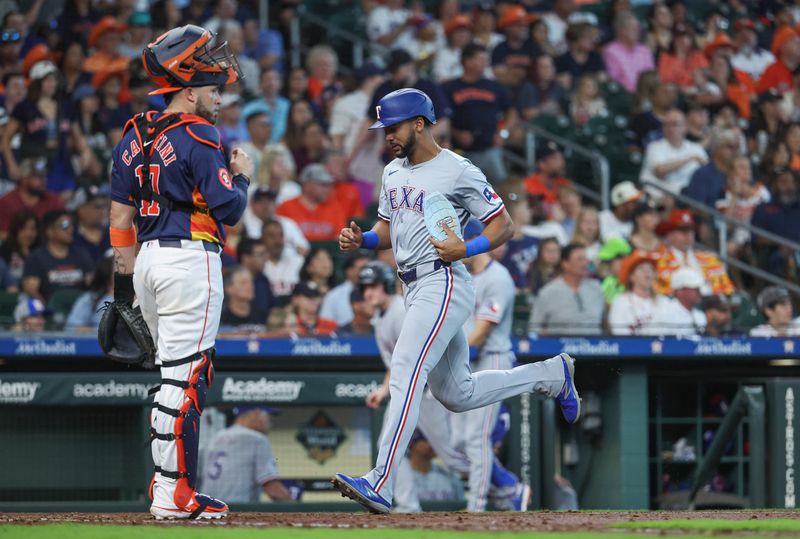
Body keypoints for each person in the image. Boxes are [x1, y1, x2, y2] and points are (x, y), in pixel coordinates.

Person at [333, 88, 580, 514]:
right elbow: (387, 232)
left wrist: (465, 248)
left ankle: (380, 481)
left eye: (392, 127)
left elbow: (503, 227)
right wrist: (363, 240)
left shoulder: (458, 170)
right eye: (383, 129)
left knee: (406, 372)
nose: (386, 136)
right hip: (412, 286)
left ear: (419, 124)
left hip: (443, 280)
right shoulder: (393, 171)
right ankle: (551, 374)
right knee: (457, 393)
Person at [108, 24, 252, 520]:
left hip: (147, 261)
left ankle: (170, 486)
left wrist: (123, 291)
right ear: (187, 91)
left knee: (175, 376)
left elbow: (119, 220)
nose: (217, 99)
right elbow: (229, 208)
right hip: (190, 259)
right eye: (213, 91)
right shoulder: (197, 133)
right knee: (187, 378)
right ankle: (175, 493)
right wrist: (244, 174)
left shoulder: (132, 133)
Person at [360, 260, 528, 513]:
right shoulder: (380, 319)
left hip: (430, 390)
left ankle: (506, 485)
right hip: (411, 388)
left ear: (385, 284)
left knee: (456, 456)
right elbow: (398, 362)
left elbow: (429, 347)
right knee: (390, 440)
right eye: (364, 288)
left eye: (373, 286)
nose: (367, 292)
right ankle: (406, 504)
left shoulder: (400, 311)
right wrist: (385, 389)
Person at [460, 218, 532, 512]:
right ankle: (507, 486)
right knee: (456, 442)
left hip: (491, 360)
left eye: (459, 241)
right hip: (468, 361)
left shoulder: (498, 277)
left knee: (476, 438)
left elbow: (481, 333)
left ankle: (475, 508)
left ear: (475, 241)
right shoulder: (464, 275)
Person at [442, 43, 516, 184]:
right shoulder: (449, 88)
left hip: (490, 149)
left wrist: (503, 133)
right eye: (481, 59)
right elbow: (442, 119)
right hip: (461, 153)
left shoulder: (493, 86)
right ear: (467, 61)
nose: (485, 63)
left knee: (501, 189)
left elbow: (511, 112)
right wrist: (456, 133)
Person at [202, 406, 293, 503]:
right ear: (256, 413)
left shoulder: (215, 438)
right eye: (268, 417)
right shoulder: (257, 439)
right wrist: (297, 510)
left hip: (206, 510)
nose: (270, 424)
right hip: (236, 511)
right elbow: (273, 489)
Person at [529, 243, 605, 335]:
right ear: (565, 264)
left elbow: (605, 323)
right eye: (580, 260)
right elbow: (534, 327)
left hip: (595, 347)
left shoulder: (597, 288)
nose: (585, 263)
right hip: (561, 348)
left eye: (586, 259)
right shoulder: (548, 292)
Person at [654, 209, 734, 296]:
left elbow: (728, 289)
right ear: (670, 234)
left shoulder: (710, 259)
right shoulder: (659, 260)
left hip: (711, 304)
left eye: (690, 230)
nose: (688, 235)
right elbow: (659, 292)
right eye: (682, 230)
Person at [21, 209, 93, 302]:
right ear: (50, 231)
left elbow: (93, 285)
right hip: (49, 312)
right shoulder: (36, 258)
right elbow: (31, 291)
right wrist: (47, 311)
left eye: (71, 225)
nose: (70, 229)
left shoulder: (82, 254)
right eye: (65, 225)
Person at [639, 109, 708, 202]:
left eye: (675, 124)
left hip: (686, 199)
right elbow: (660, 171)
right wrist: (689, 159)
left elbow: (708, 172)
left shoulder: (696, 148)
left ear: (685, 127)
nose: (670, 128)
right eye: (666, 125)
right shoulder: (654, 147)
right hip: (655, 198)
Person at [276, 163, 346, 242]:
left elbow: (340, 238)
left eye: (329, 185)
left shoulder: (334, 208)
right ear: (307, 185)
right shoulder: (286, 207)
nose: (328, 189)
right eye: (323, 185)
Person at [0, 157, 63, 240]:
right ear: (24, 178)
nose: (43, 181)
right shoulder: (6, 202)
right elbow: (2, 234)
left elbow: (63, 226)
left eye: (44, 177)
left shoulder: (53, 201)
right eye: (38, 177)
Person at [608, 250, 666, 335]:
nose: (647, 272)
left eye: (651, 269)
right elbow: (619, 334)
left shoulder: (664, 302)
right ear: (631, 276)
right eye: (641, 269)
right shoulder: (620, 302)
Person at [602, 12, 655, 93]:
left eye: (638, 29)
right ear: (621, 31)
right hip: (624, 96)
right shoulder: (611, 51)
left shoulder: (644, 50)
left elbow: (651, 77)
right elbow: (614, 81)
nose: (638, 32)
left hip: (647, 95)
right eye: (634, 29)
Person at [407, 431, 465, 503]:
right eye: (426, 440)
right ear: (412, 444)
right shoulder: (399, 477)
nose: (432, 444)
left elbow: (462, 507)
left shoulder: (448, 475)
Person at [650, 267, 707, 336]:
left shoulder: (700, 316)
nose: (699, 292)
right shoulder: (664, 314)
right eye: (694, 288)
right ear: (679, 291)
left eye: (698, 288)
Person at [320, 252, 370, 327]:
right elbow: (325, 327)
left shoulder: (379, 293)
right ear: (349, 271)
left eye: (369, 269)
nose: (367, 273)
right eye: (362, 269)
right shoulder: (333, 296)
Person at [65, 254, 113, 331]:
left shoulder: (136, 297)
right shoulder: (90, 299)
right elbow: (71, 328)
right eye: (120, 267)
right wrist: (103, 334)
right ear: (107, 273)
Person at [261, 218, 304, 302]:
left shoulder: (297, 262)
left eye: (280, 235)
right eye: (272, 236)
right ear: (262, 239)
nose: (278, 241)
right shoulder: (258, 266)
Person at [236, 237, 275, 319]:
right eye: (261, 255)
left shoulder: (263, 280)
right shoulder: (230, 278)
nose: (265, 259)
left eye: (265, 254)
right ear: (246, 258)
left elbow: (271, 308)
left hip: (261, 327)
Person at [219, 266, 266, 332]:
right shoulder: (220, 319)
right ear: (228, 288)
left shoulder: (262, 315)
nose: (250, 286)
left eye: (251, 281)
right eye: (243, 283)